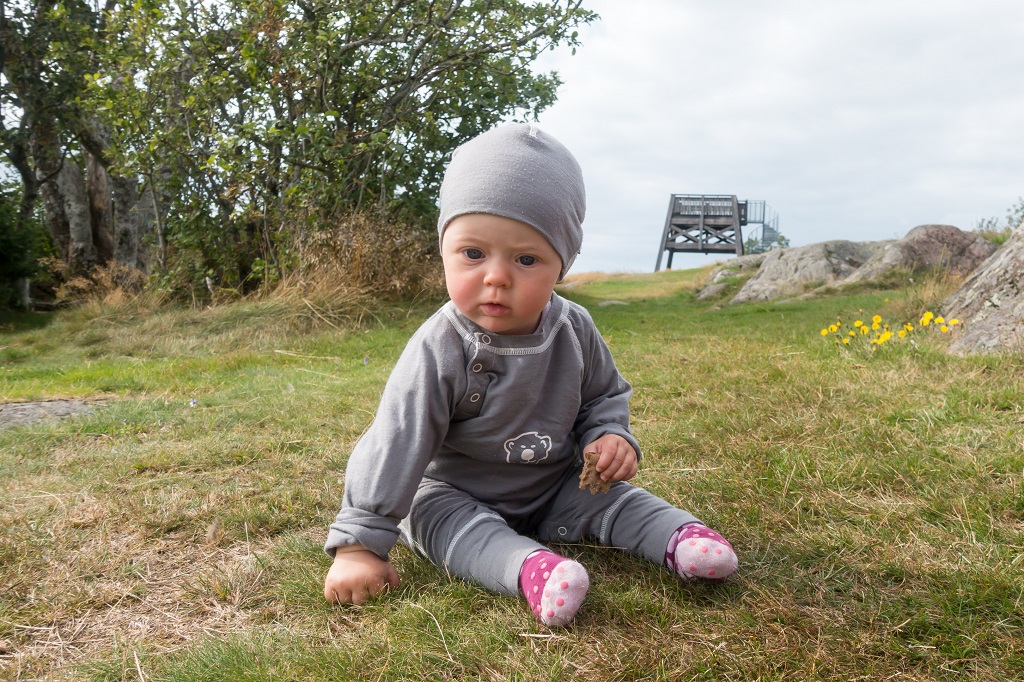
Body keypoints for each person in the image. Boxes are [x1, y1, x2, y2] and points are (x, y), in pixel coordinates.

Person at [323, 123, 737, 626]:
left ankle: (680, 539)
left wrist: (609, 434)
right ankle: (532, 570)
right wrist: (360, 544)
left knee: (619, 501)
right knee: (435, 518)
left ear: (561, 265)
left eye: (526, 259)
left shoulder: (574, 327)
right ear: (444, 250)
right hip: (457, 491)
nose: (496, 276)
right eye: (473, 254)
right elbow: (398, 439)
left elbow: (603, 395)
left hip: (555, 481)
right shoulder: (441, 344)